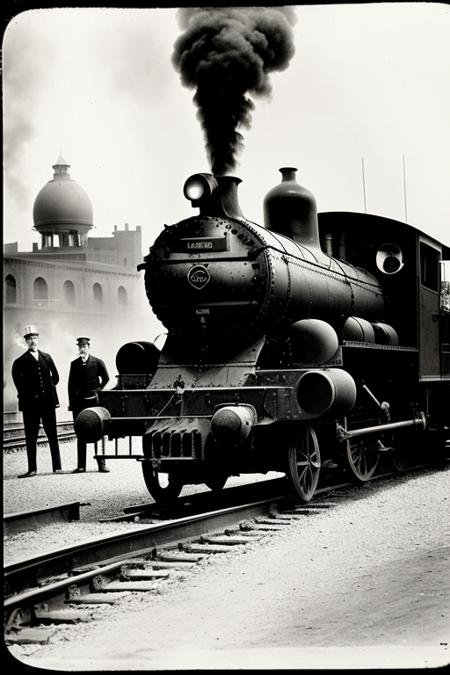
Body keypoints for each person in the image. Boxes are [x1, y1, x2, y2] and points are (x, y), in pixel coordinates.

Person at [11, 325, 63, 478]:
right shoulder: (20, 361)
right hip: (31, 406)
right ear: (26, 341)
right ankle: (32, 469)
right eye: (30, 338)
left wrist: (48, 390)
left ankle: (57, 467)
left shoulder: (47, 357)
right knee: (31, 436)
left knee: (52, 434)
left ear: (38, 339)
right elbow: (18, 383)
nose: (33, 341)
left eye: (35, 338)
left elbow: (56, 377)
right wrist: (29, 395)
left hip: (48, 404)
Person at [68, 337, 110, 473]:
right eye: (80, 346)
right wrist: (72, 403)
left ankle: (102, 464)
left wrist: (99, 390)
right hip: (79, 404)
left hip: (94, 403)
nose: (81, 349)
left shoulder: (97, 362)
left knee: (99, 431)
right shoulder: (74, 364)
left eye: (84, 346)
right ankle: (81, 466)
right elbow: (70, 385)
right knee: (80, 433)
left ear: (88, 347)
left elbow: (106, 378)